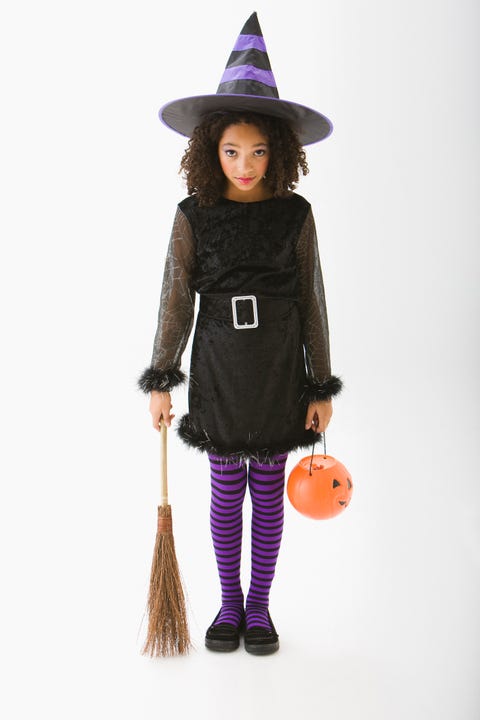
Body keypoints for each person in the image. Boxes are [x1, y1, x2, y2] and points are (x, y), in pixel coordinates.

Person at [138, 13, 342, 655]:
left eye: (258, 151)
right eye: (231, 151)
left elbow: (313, 300)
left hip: (280, 366)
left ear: (278, 151)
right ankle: (228, 606)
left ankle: (261, 609)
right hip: (222, 365)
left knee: (269, 495)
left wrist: (320, 384)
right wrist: (162, 378)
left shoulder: (295, 215)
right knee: (227, 495)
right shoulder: (194, 215)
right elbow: (175, 297)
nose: (245, 163)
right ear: (210, 150)